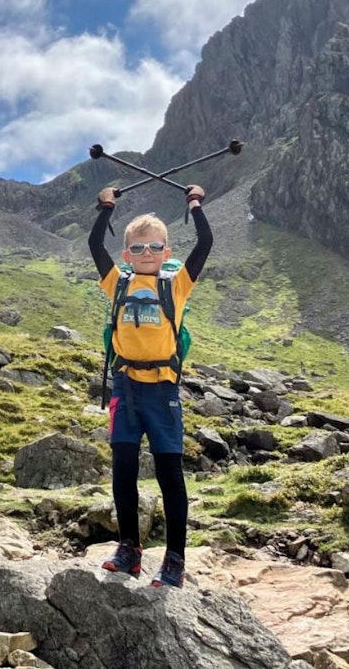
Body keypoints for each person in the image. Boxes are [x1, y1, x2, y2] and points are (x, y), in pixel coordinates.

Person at [89, 183, 210, 588]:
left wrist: (194, 204)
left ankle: (175, 559)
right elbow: (94, 243)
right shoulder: (117, 283)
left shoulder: (176, 286)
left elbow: (206, 242)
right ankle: (129, 550)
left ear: (166, 253)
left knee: (169, 474)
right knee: (123, 470)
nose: (145, 255)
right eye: (137, 249)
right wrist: (107, 206)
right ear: (126, 256)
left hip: (162, 392)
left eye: (154, 248)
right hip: (125, 389)